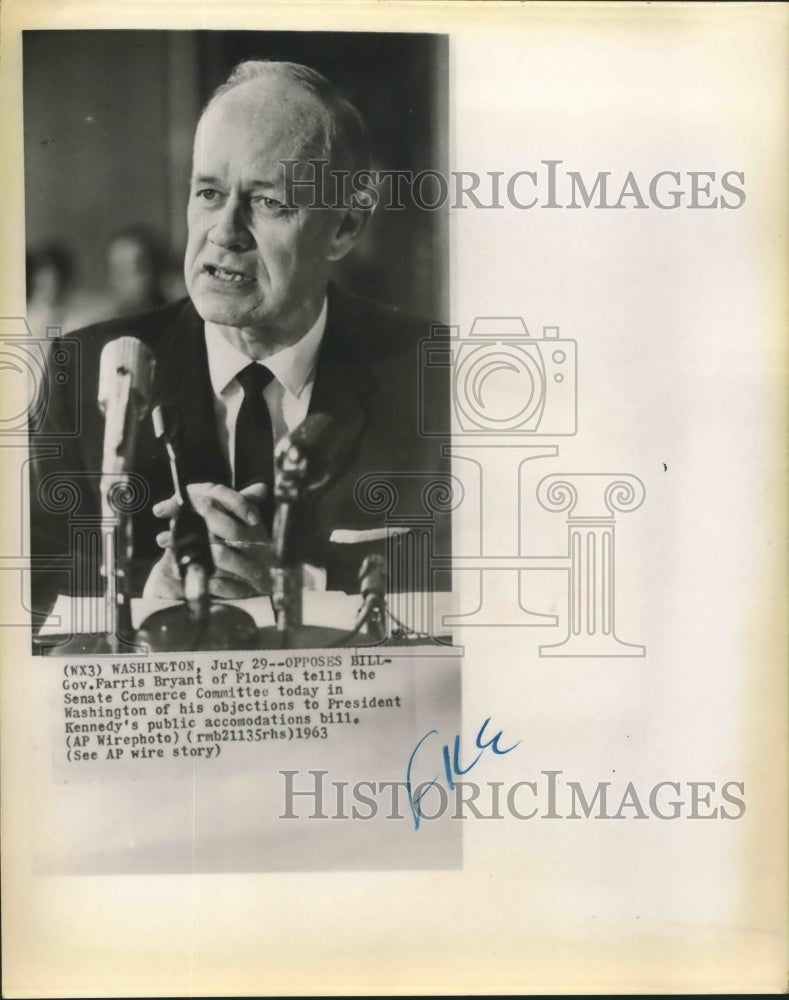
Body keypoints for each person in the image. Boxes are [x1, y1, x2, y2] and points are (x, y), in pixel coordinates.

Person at [29, 60, 450, 620]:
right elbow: (29, 610)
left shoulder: (433, 374)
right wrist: (148, 602)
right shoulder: (85, 373)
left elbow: (486, 592)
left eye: (268, 201)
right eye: (208, 193)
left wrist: (302, 587)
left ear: (345, 226)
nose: (224, 232)